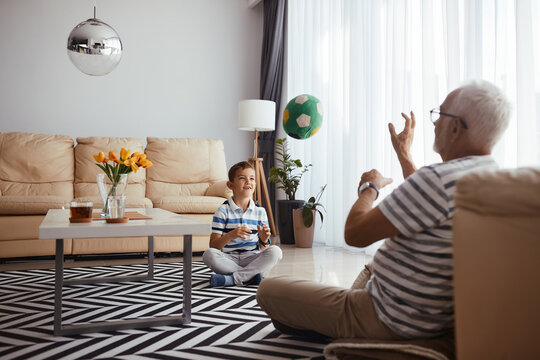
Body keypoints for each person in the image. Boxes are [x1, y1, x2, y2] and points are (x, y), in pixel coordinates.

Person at [256, 80, 511, 340]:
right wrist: (404, 153)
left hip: (385, 316)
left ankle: (349, 334)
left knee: (268, 291)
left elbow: (355, 234)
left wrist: (370, 187)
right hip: (427, 315)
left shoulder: (436, 179)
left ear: (455, 127)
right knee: (370, 268)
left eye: (440, 114)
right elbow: (426, 202)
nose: (434, 123)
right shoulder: (492, 176)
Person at [203, 161, 283, 287]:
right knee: (208, 255)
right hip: (228, 259)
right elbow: (214, 246)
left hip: (251, 258)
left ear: (255, 184)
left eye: (252, 178)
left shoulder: (260, 211)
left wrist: (264, 239)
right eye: (242, 178)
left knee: (276, 251)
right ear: (230, 185)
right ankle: (250, 277)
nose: (248, 182)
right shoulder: (222, 211)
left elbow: (264, 248)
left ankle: (232, 279)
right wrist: (231, 235)